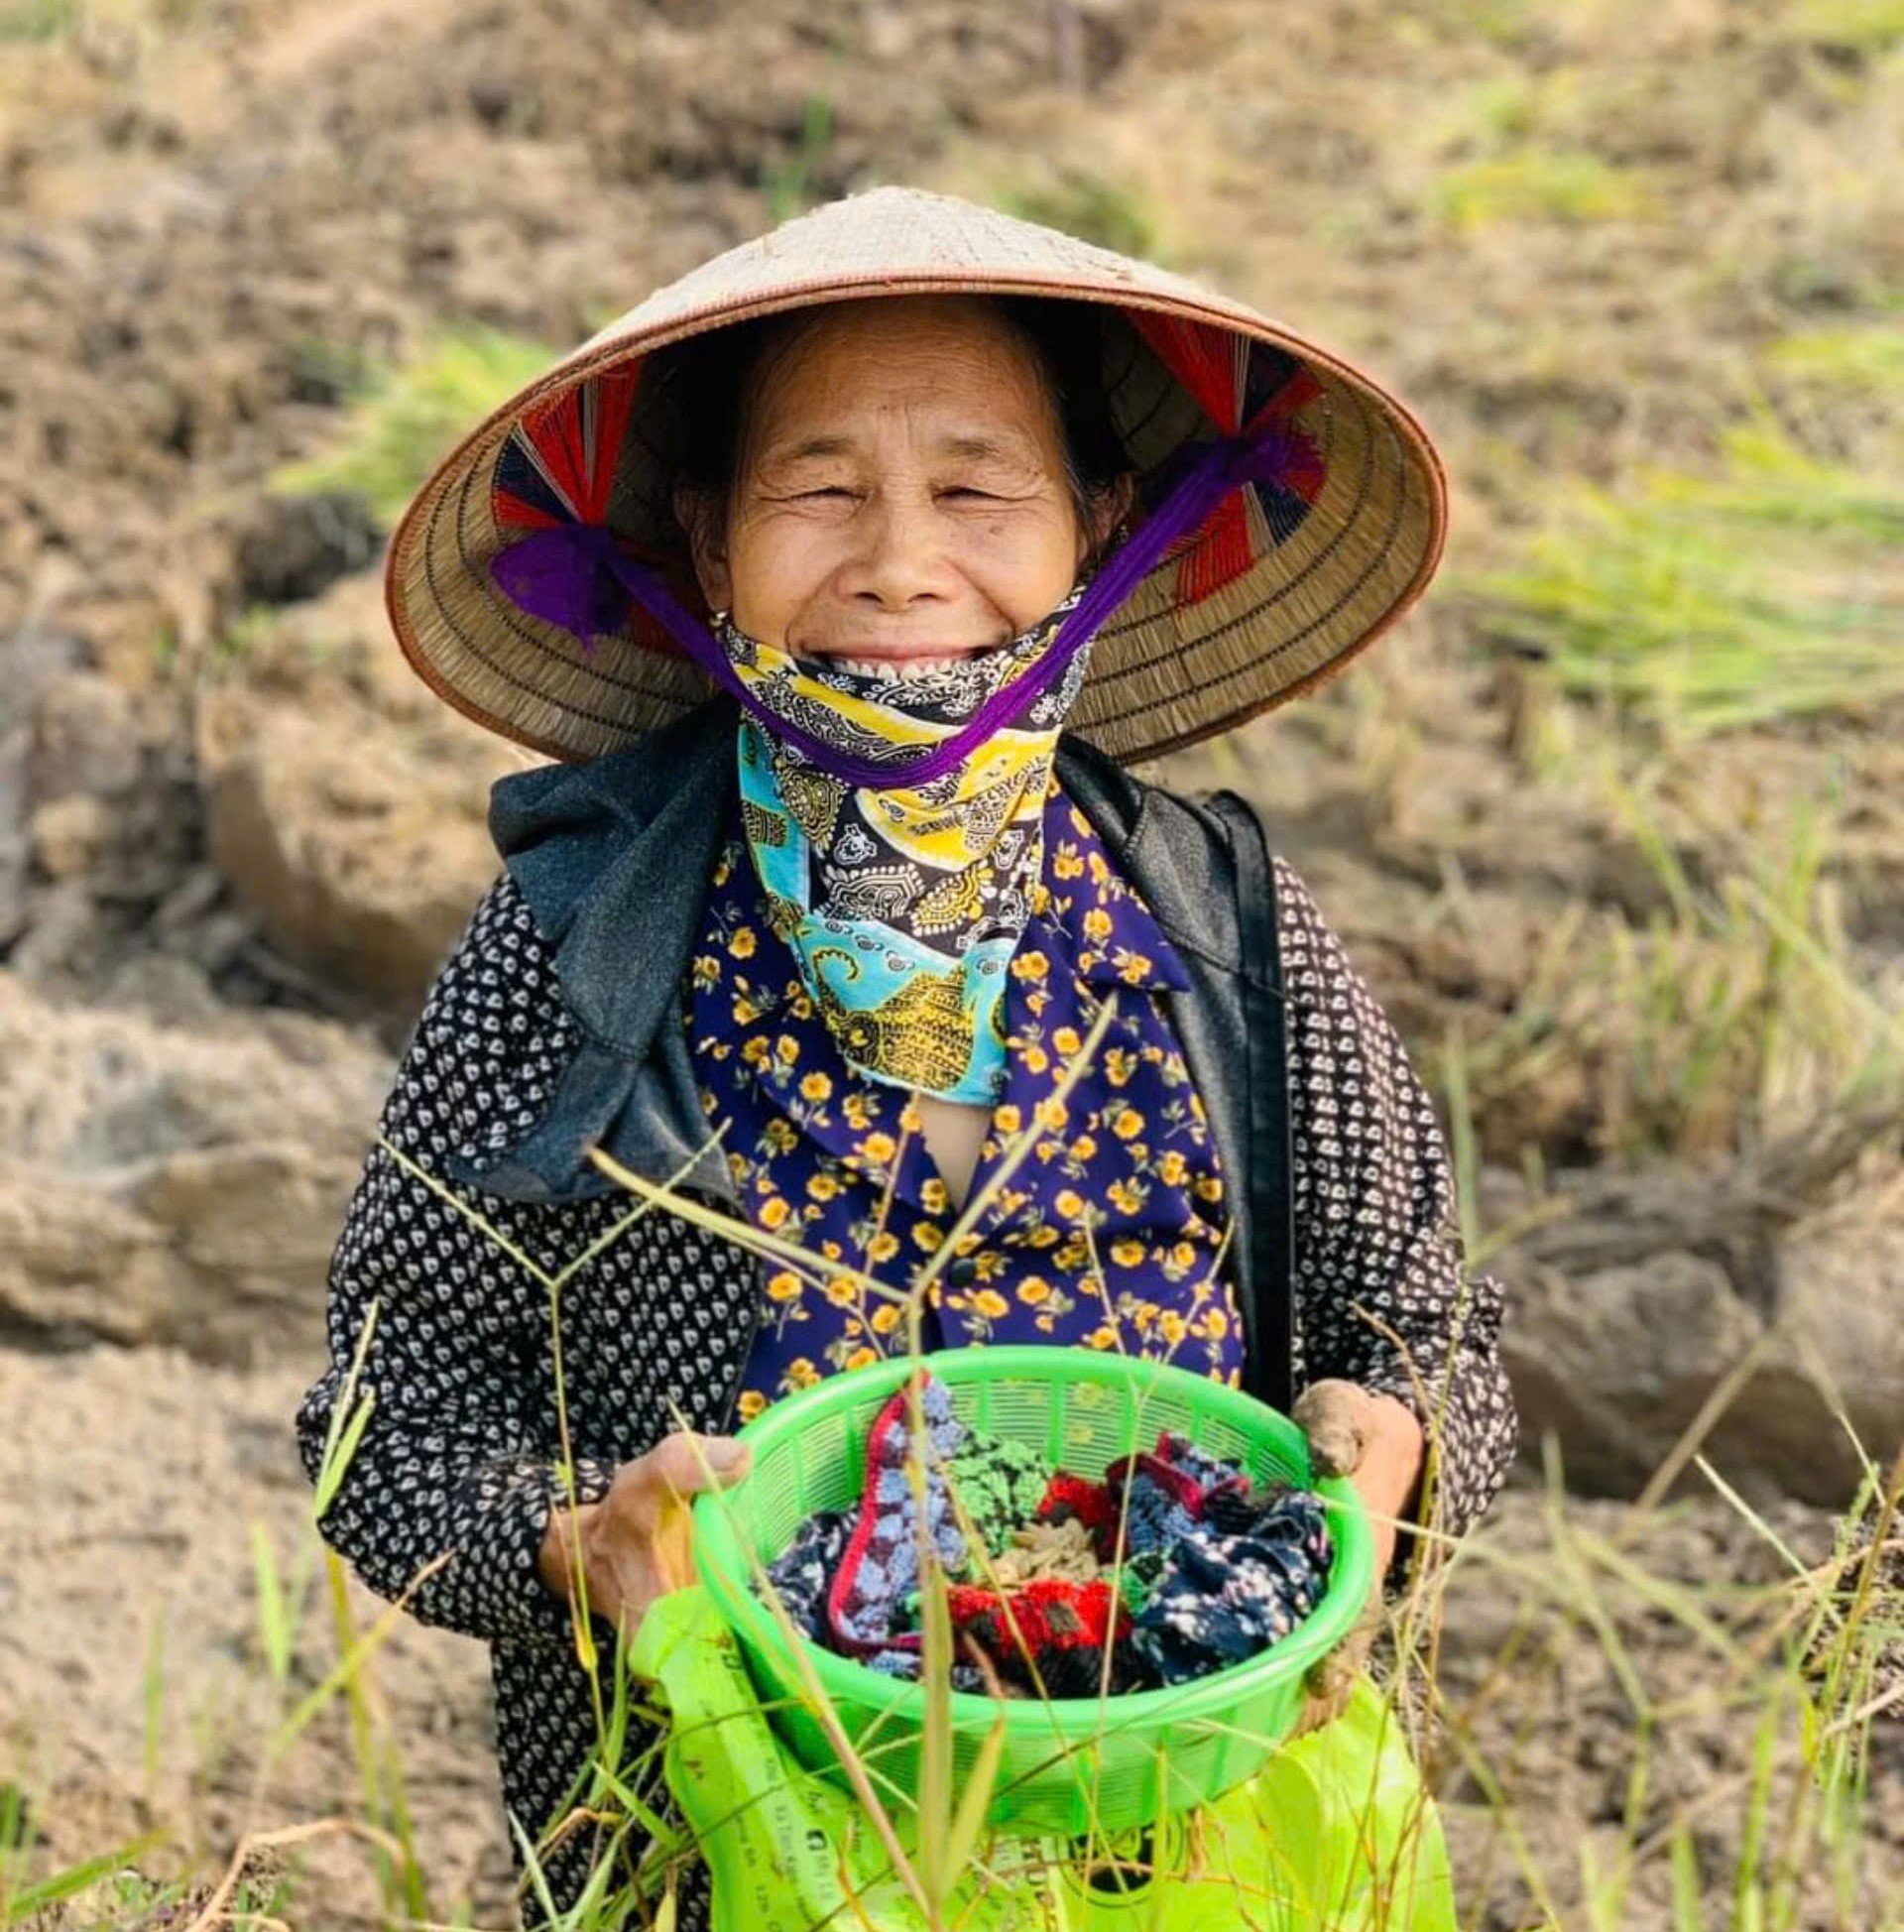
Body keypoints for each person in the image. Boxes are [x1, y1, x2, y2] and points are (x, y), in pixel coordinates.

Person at [298, 184, 1517, 1923]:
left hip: (1174, 1852)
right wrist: (583, 1545)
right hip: (714, 1860)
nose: (896, 558)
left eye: (972, 486)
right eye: (819, 488)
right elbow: (383, 1415)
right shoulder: (576, 959)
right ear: (711, 546)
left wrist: (1389, 1441)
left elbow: (1429, 1324)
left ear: (1091, 533)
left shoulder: (1218, 928)